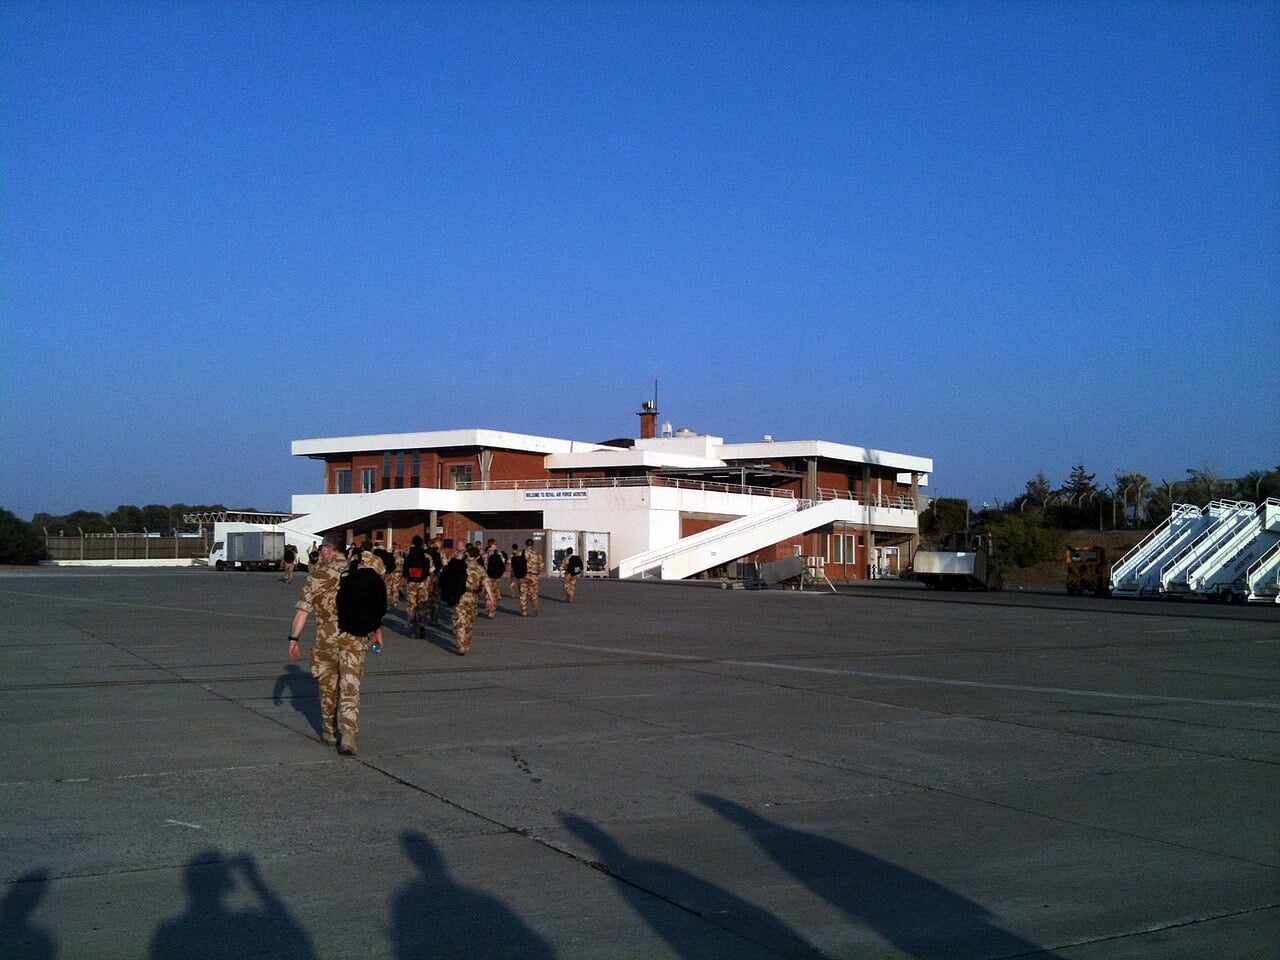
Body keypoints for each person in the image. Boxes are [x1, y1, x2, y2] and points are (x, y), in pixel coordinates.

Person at [287, 537, 384, 756]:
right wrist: (377, 630)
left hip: (326, 638)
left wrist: (294, 639)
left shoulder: (317, 576)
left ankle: (329, 730)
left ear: (330, 550)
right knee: (350, 686)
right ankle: (348, 734)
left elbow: (302, 612)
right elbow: (372, 604)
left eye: (322, 549)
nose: (320, 553)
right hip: (355, 635)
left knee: (327, 685)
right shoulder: (360, 571)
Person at [403, 535, 433, 638]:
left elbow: (405, 569)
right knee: (422, 605)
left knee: (411, 605)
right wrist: (431, 584)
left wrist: (403, 582)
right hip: (422, 583)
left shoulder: (408, 555)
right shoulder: (426, 556)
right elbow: (431, 571)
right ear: (421, 543)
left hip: (411, 583)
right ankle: (421, 626)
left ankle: (412, 628)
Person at [517, 537, 543, 616]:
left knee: (523, 593)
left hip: (523, 575)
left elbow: (516, 563)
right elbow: (541, 565)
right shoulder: (537, 554)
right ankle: (534, 606)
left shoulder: (521, 553)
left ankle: (524, 609)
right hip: (533, 576)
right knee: (533, 592)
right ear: (532, 545)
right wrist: (537, 572)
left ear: (526, 545)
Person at [482, 539, 507, 619]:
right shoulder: (499, 553)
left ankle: (490, 610)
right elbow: (503, 563)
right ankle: (492, 609)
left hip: (487, 575)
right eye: (495, 544)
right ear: (492, 544)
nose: (496, 545)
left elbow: (483, 564)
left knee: (489, 593)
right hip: (496, 576)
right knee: (494, 592)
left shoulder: (485, 554)